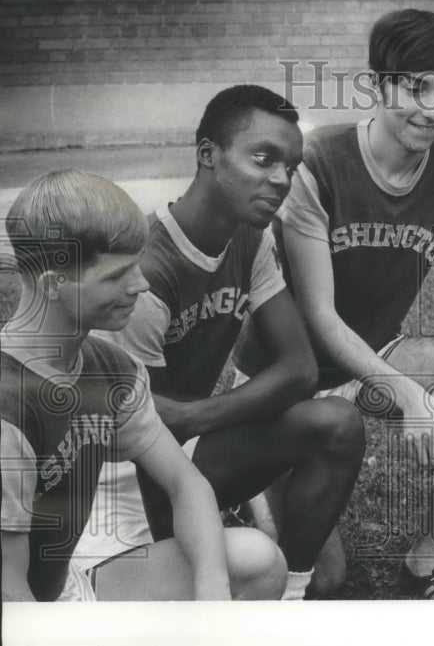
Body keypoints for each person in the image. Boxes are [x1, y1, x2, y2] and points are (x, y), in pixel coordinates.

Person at [244, 9, 434, 599]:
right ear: (377, 86)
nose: (433, 108)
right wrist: (410, 397)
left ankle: (427, 562)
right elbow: (321, 317)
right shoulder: (319, 163)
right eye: (415, 87)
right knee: (325, 581)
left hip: (377, 350)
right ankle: (257, 485)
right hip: (290, 375)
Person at [74, 86, 366, 601]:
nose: (280, 179)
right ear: (208, 154)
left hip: (192, 435)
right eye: (263, 158)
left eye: (291, 166)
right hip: (123, 480)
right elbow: (144, 432)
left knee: (337, 429)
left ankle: (291, 596)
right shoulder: (146, 273)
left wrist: (197, 417)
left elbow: (299, 369)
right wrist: (192, 423)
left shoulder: (250, 239)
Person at [1, 170, 286, 601]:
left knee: (255, 561)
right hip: (22, 622)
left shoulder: (110, 368)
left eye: (138, 264)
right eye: (116, 276)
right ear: (53, 285)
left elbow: (185, 483)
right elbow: (10, 594)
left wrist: (213, 596)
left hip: (63, 594)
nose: (141, 284)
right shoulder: (8, 408)